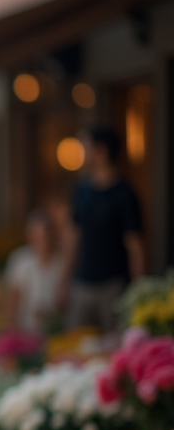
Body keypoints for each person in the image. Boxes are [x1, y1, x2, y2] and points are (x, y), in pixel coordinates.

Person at [59, 126, 144, 332]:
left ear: (101, 151)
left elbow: (135, 246)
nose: (82, 153)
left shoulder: (124, 194)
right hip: (82, 284)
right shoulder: (82, 190)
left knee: (113, 347)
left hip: (113, 287)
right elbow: (73, 236)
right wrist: (63, 280)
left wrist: (138, 292)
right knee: (75, 345)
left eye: (86, 147)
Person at [4, 209, 64, 333]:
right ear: (30, 235)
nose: (44, 239)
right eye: (39, 234)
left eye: (47, 233)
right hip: (27, 331)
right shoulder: (20, 260)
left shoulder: (63, 262)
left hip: (59, 332)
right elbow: (12, 300)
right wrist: (11, 330)